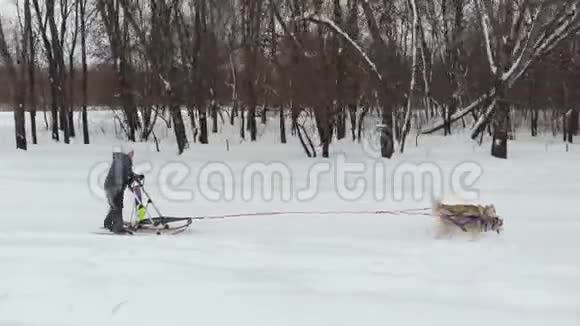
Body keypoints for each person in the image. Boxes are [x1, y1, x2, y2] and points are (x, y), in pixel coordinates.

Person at [103, 145, 144, 233]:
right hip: (114, 187)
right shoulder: (124, 160)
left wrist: (135, 177)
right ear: (127, 152)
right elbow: (126, 175)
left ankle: (108, 223)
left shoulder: (121, 160)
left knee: (114, 205)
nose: (132, 155)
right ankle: (118, 228)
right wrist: (134, 178)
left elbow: (126, 174)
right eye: (131, 153)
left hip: (111, 186)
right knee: (117, 206)